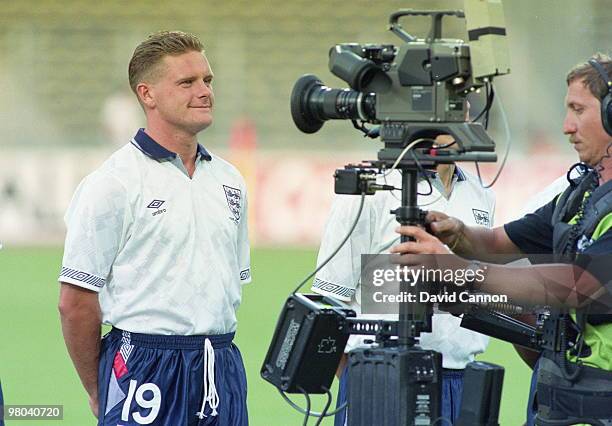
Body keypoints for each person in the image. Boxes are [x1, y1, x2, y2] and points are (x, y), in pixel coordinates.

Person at [392, 53, 612, 425]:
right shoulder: (583, 194)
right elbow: (498, 243)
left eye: (578, 110)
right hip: (564, 399)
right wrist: (457, 233)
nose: (566, 126)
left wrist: (459, 271)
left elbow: (579, 284)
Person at [58, 31, 251, 426]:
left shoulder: (230, 180)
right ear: (148, 95)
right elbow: (75, 302)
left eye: (207, 80)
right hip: (145, 366)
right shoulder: (113, 183)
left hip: (222, 363)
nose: (204, 92)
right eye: (187, 82)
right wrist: (98, 390)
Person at [312, 138, 495, 424]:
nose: (463, 112)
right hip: (380, 379)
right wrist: (365, 380)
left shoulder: (481, 192)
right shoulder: (369, 190)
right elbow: (330, 307)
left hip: (461, 381)